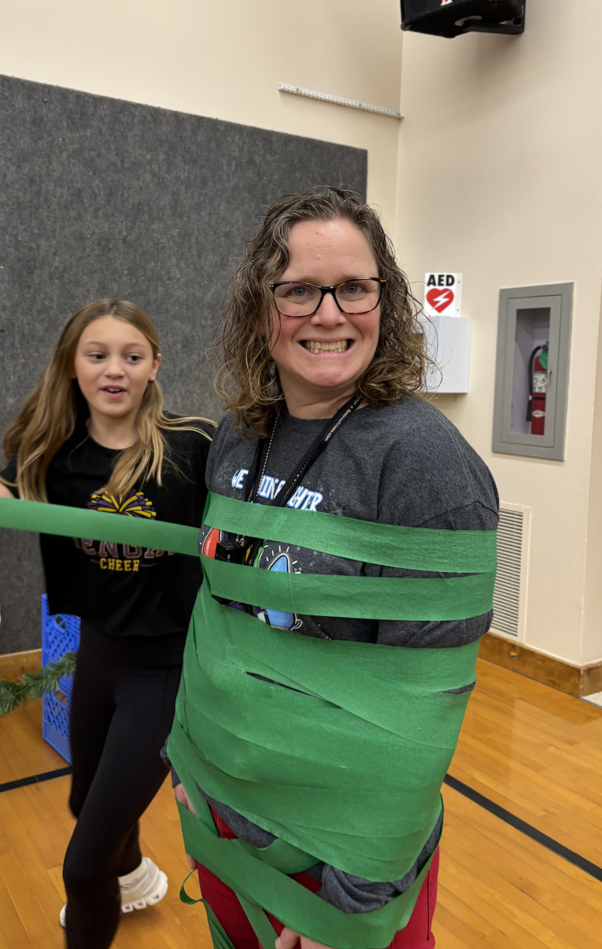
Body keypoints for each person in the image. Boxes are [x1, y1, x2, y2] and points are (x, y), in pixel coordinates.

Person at [167, 188, 498, 949]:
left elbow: (424, 709)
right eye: (297, 291)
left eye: (353, 287)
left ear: (385, 300)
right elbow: (214, 617)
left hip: (340, 858)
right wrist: (183, 758)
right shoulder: (239, 434)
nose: (328, 313)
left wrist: (354, 903)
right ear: (260, 310)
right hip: (222, 813)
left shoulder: (426, 465)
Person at [0, 298, 213, 949]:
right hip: (100, 658)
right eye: (97, 355)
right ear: (72, 366)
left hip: (167, 673)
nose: (115, 370)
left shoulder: (194, 445)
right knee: (86, 806)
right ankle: (132, 874)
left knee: (83, 864)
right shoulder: (46, 452)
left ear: (154, 366)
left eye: (131, 357)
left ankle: (106, 889)